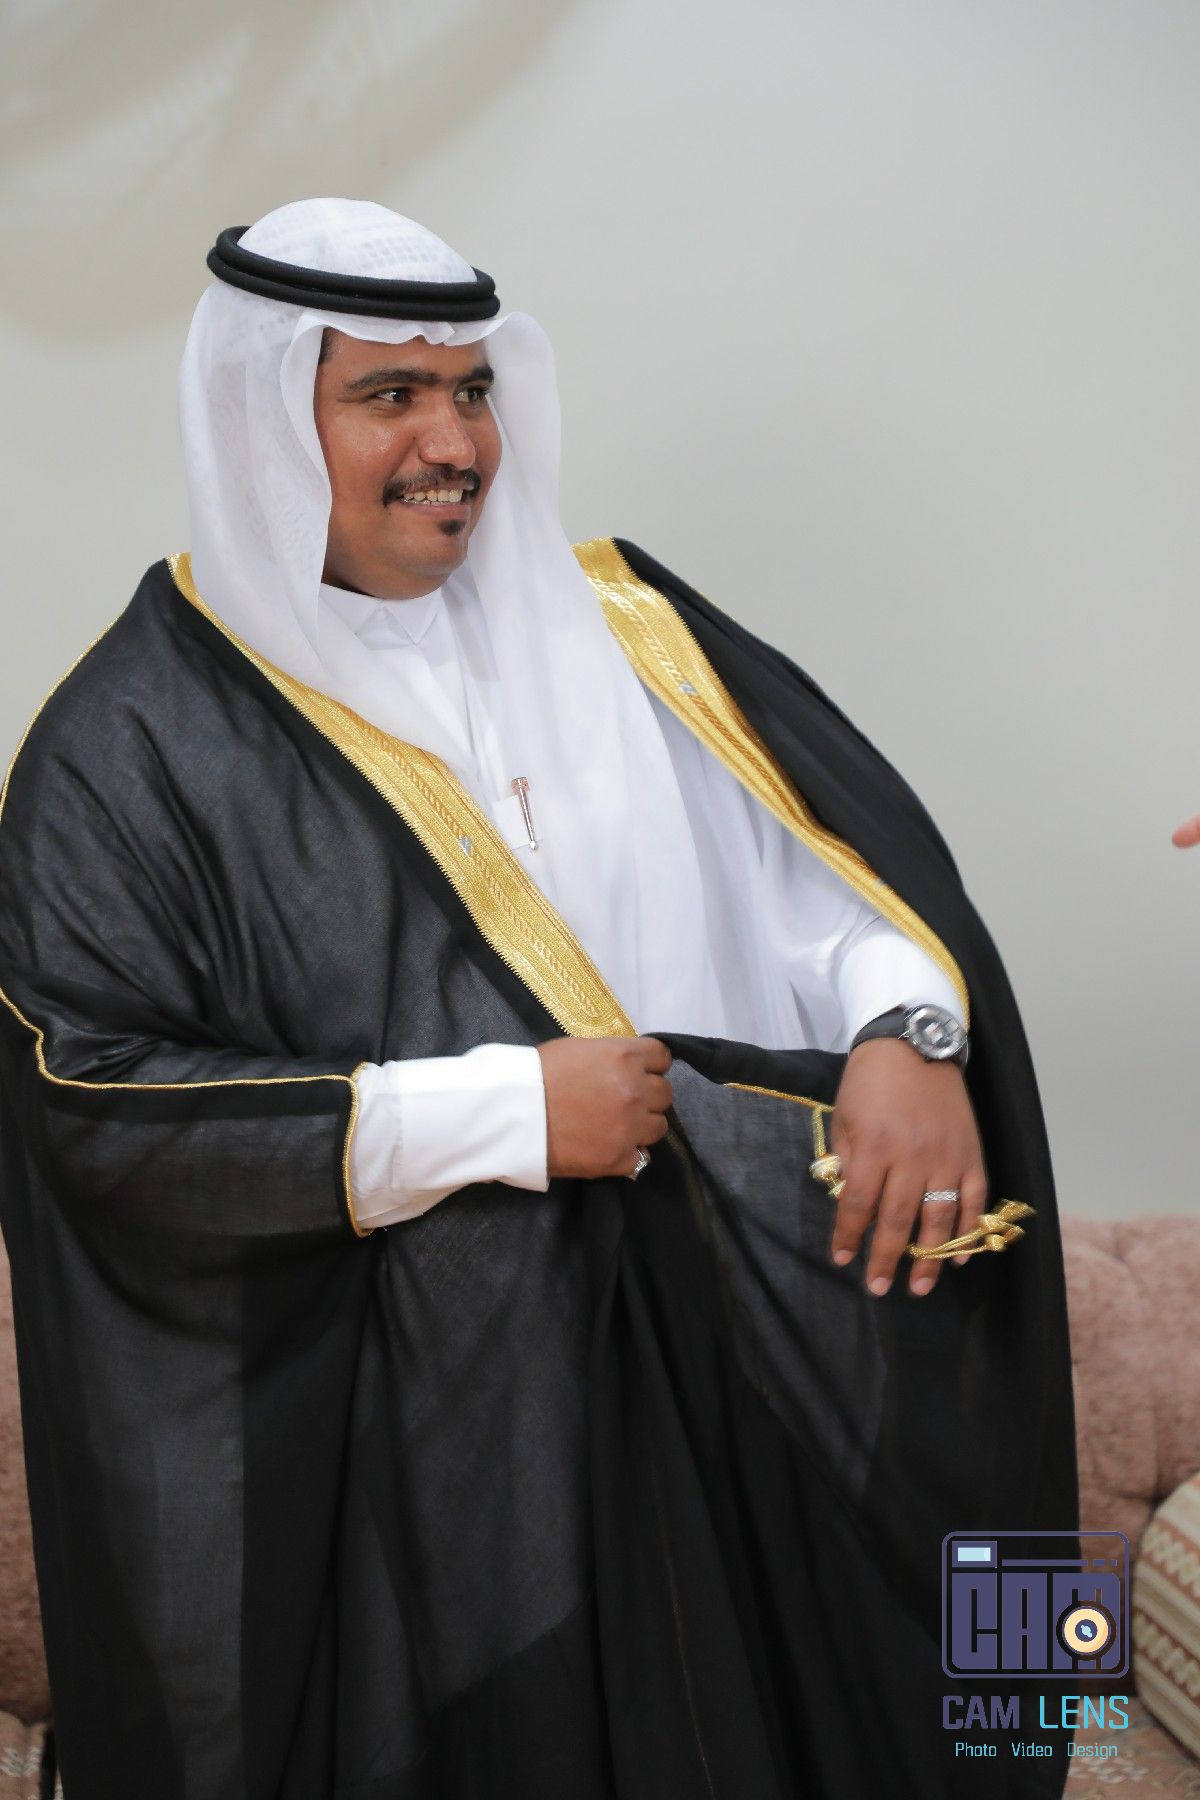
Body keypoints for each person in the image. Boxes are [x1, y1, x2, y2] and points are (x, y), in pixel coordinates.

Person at [0, 200, 1077, 1798]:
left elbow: (843, 895)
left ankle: (1026, 1717)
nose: (453, 444)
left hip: (733, 1378)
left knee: (954, 1659)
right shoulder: (129, 746)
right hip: (440, 1484)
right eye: (389, 395)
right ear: (260, 418)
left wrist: (912, 1035)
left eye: (473, 390)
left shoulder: (625, 630)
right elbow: (92, 1105)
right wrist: (509, 1111)